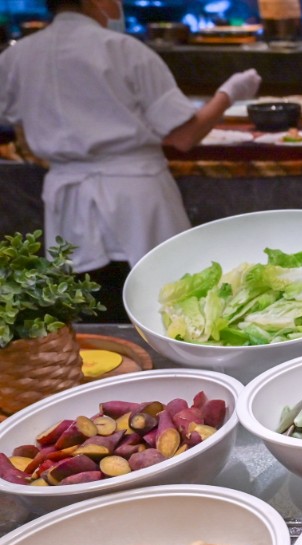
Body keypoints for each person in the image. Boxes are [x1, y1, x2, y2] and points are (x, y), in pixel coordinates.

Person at [0, 0, 262, 320]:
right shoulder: (123, 49)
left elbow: (17, 127)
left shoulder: (16, 56)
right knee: (161, 307)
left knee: (93, 315)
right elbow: (183, 137)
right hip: (136, 197)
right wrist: (230, 92)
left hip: (68, 202)